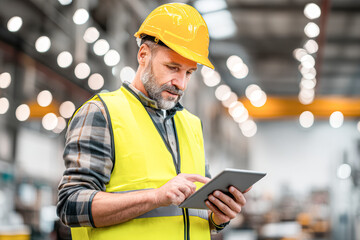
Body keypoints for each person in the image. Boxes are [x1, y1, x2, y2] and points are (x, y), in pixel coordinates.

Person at [57, 3, 248, 240]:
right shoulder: (103, 113)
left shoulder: (192, 125)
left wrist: (218, 217)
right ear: (143, 55)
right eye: (172, 67)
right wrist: (155, 196)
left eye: (189, 72)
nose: (181, 83)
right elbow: (71, 205)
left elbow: (193, 216)